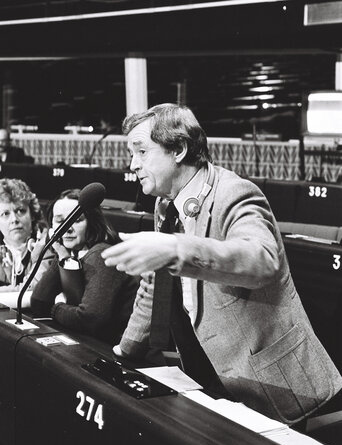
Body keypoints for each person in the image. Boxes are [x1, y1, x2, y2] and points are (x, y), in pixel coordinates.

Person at [101, 103, 342, 425]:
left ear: (179, 149)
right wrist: (124, 352)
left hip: (270, 384)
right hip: (208, 376)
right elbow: (154, 284)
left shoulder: (235, 193)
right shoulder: (165, 205)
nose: (133, 165)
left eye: (142, 152)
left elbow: (261, 260)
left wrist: (175, 247)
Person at [31, 188, 138, 343]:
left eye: (76, 220)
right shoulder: (72, 253)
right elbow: (39, 301)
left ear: (92, 222)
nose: (67, 229)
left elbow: (90, 319)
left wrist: (55, 308)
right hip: (90, 342)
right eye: (60, 221)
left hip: (115, 348)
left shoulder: (101, 254)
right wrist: (61, 253)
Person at [0, 178, 51, 303]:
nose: (14, 219)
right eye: (5, 214)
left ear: (32, 215)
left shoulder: (46, 244)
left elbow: (31, 289)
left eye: (20, 211)